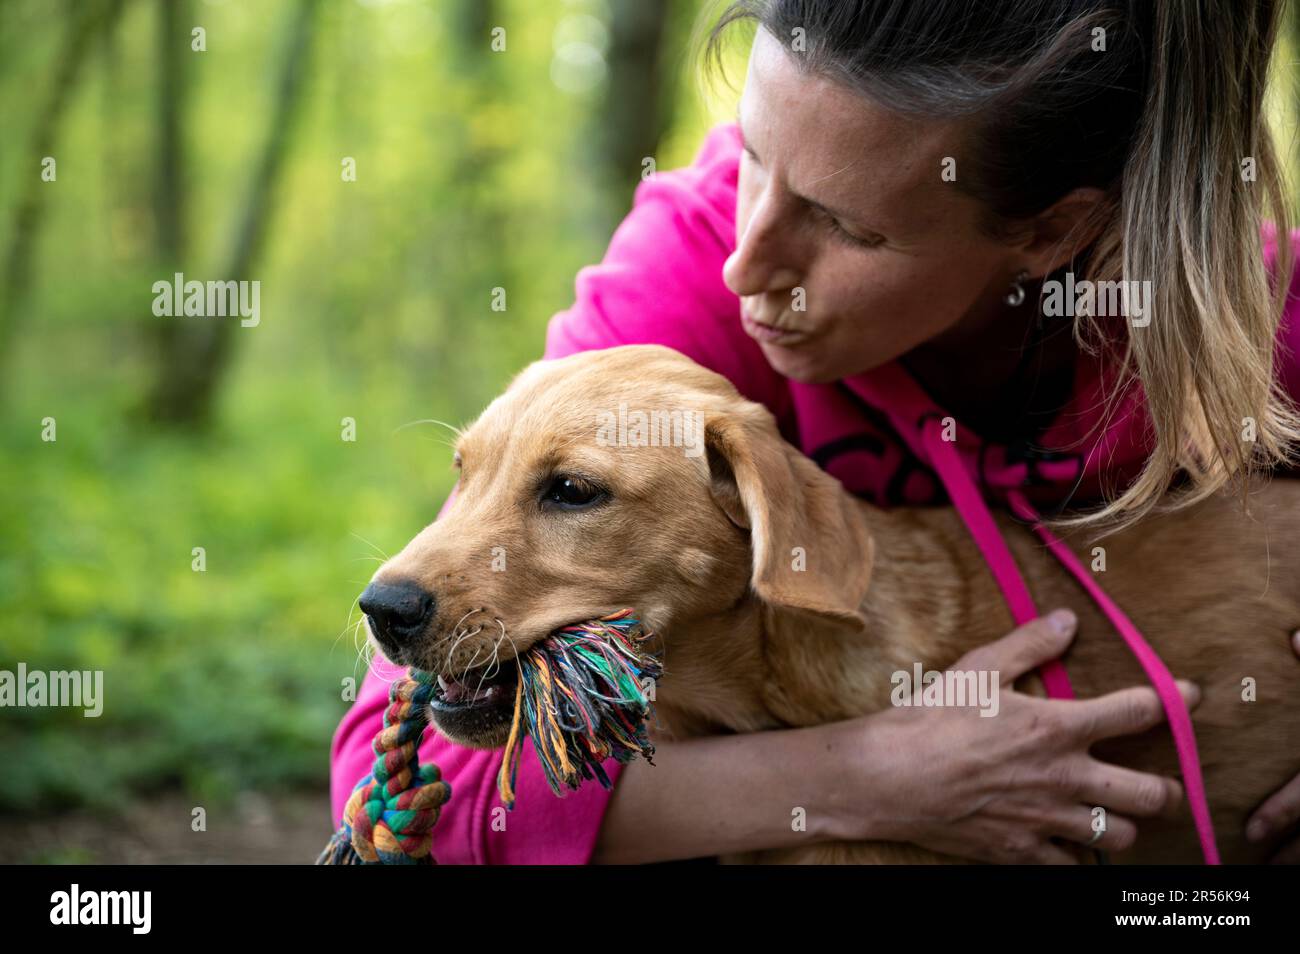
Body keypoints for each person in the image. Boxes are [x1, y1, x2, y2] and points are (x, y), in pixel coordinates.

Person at [332, 0, 1300, 864]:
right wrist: (869, 779)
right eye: (751, 154)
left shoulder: (1240, 316)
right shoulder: (679, 292)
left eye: (847, 227)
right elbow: (401, 795)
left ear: (1051, 232)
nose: (745, 266)